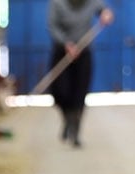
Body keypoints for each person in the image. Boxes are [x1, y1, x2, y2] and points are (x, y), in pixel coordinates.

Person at [48, 0, 115, 147]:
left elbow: (103, 9)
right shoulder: (57, 3)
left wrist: (106, 13)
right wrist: (66, 43)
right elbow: (53, 26)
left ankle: (75, 131)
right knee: (60, 92)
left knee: (80, 92)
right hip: (62, 52)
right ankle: (67, 118)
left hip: (83, 52)